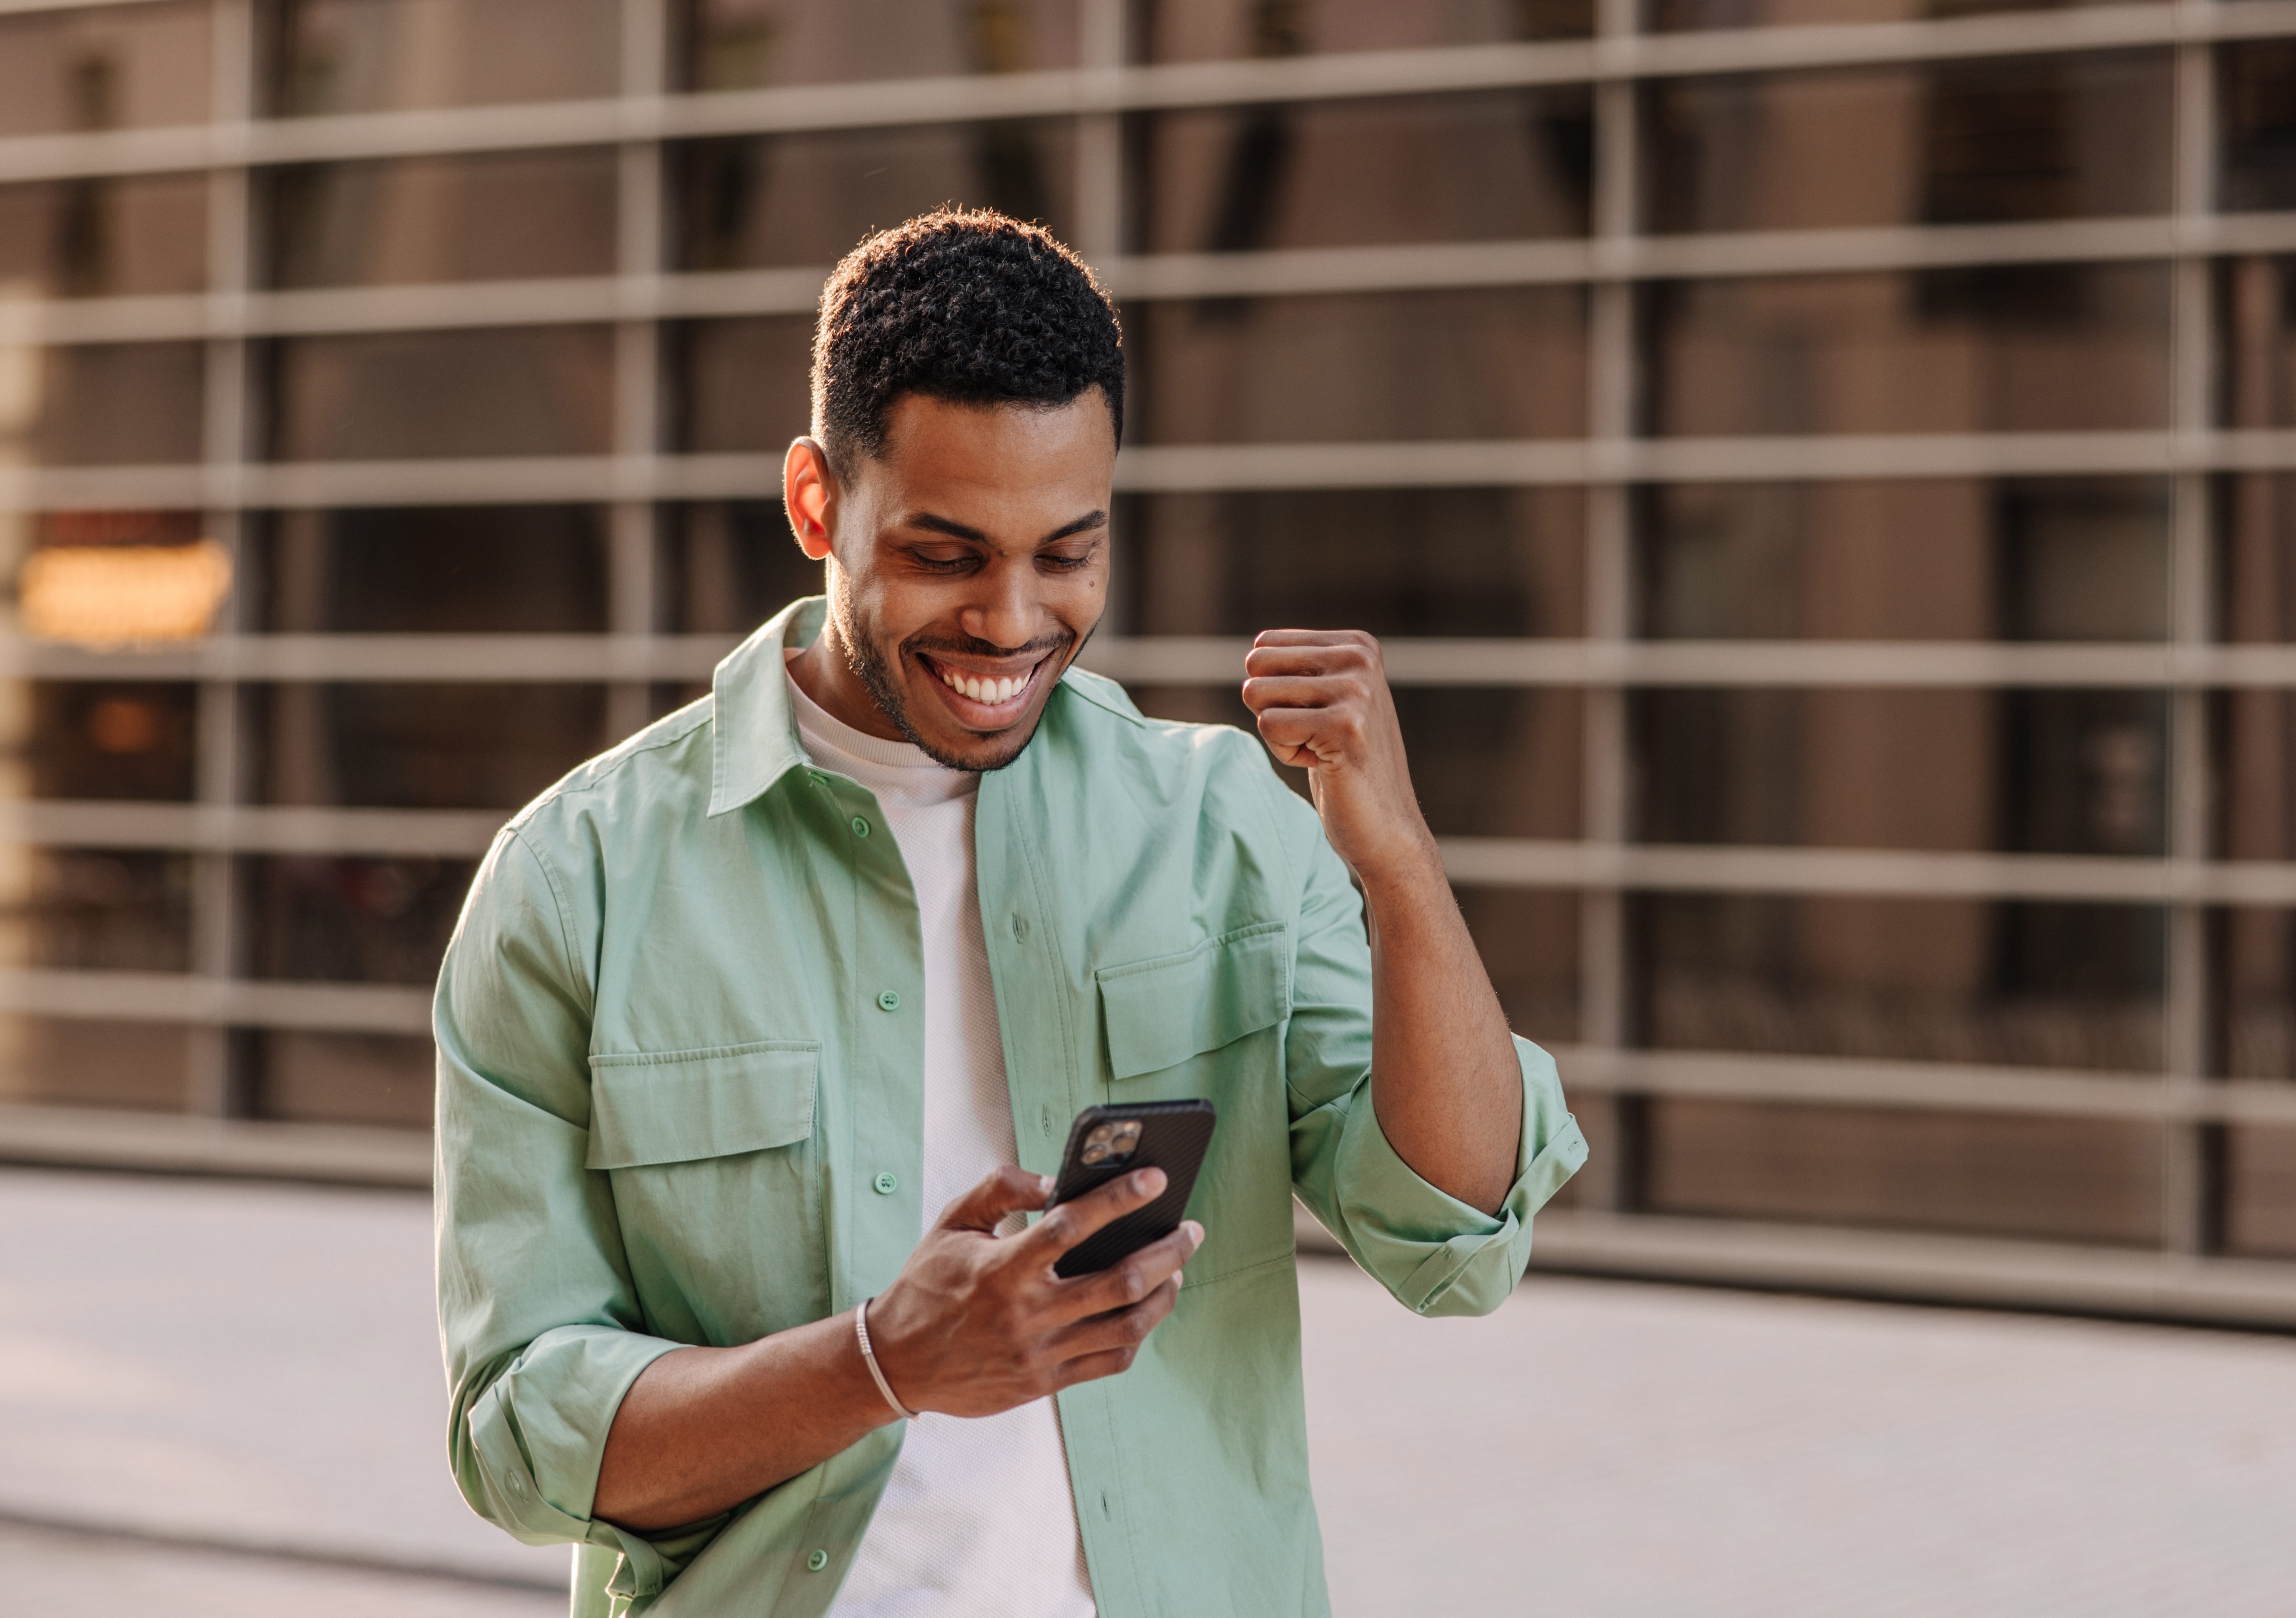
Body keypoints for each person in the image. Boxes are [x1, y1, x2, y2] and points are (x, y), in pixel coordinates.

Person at [435, 208, 1586, 1617]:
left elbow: (1458, 1238)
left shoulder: (1218, 827)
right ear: (816, 505)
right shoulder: (580, 886)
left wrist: (1397, 864)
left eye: (1067, 553)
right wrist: (884, 1362)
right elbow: (517, 1434)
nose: (1012, 619)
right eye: (946, 552)